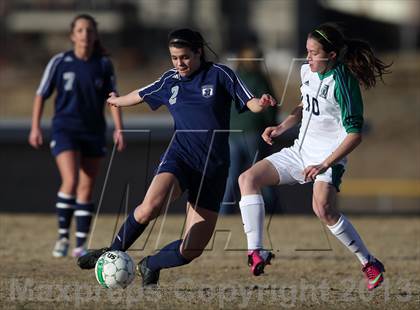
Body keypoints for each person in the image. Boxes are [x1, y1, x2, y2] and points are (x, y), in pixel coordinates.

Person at [77, 28, 276, 286]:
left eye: (184, 57)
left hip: (213, 169)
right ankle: (112, 250)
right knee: (151, 206)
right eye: (174, 58)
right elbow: (140, 94)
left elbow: (251, 103)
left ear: (198, 52)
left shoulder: (220, 75)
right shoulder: (169, 80)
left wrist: (262, 102)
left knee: (192, 249)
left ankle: (151, 264)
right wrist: (116, 100)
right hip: (181, 156)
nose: (179, 63)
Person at [238, 23, 391, 290]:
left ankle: (369, 263)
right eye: (307, 51)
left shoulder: (344, 83)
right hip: (299, 152)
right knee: (247, 179)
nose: (307, 57)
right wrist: (281, 127)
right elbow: (304, 104)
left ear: (331, 55)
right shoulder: (306, 70)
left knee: (323, 209)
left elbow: (355, 134)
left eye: (313, 52)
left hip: (329, 156)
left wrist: (324, 164)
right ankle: (256, 252)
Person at [29, 14, 125, 258]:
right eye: (81, 30)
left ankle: (80, 244)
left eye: (90, 30)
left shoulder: (103, 64)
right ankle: (63, 237)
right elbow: (41, 94)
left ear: (95, 35)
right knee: (70, 180)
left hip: (93, 130)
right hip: (65, 129)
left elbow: (113, 97)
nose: (85, 34)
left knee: (86, 187)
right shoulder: (60, 62)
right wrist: (35, 127)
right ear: (73, 35)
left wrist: (119, 128)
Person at [221, 46, 278, 214]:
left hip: (233, 135)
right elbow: (270, 107)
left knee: (232, 178)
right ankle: (270, 212)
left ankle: (224, 212)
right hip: (254, 133)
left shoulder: (233, 79)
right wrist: (272, 127)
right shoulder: (259, 79)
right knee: (262, 176)